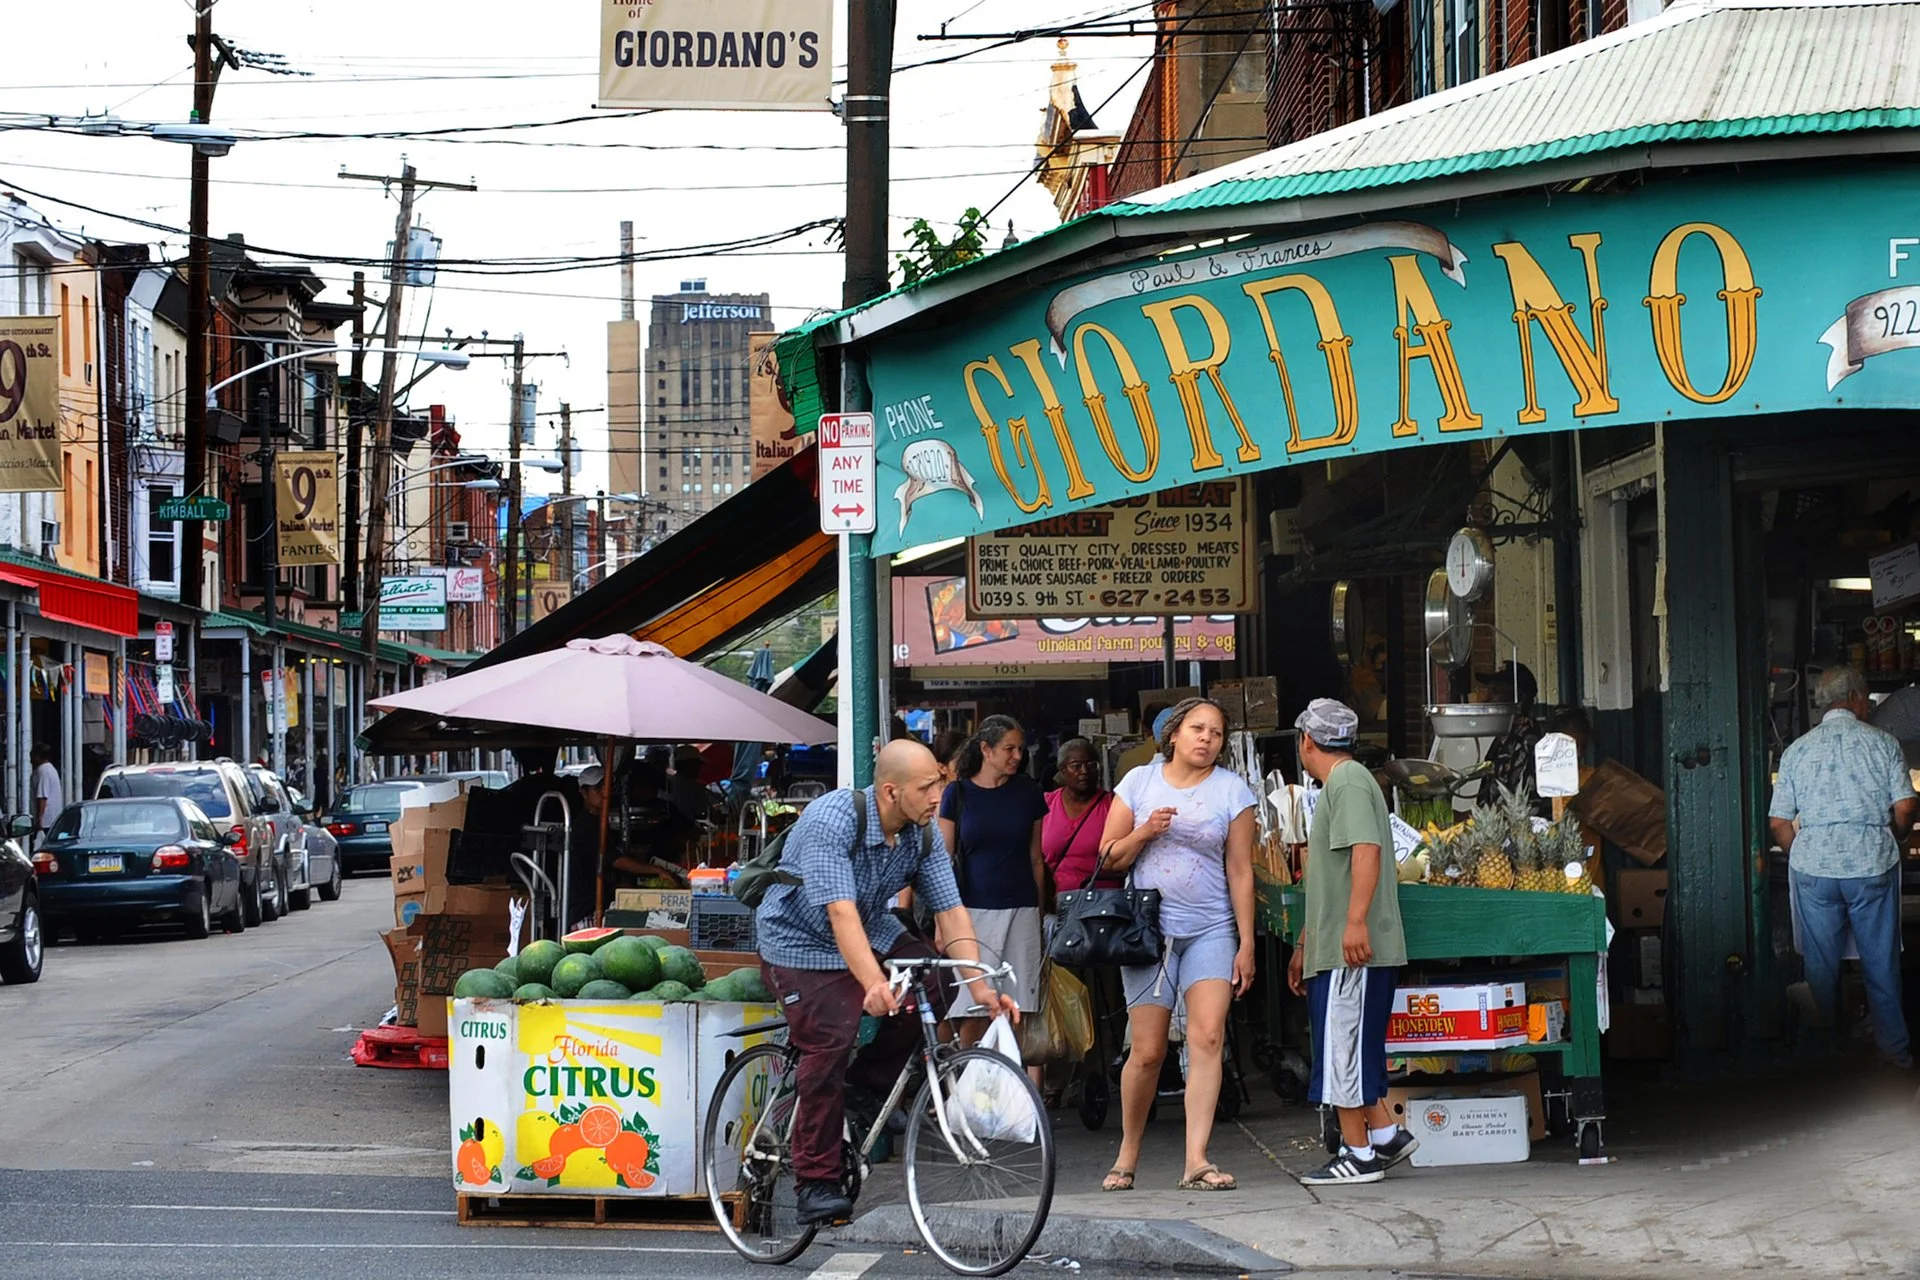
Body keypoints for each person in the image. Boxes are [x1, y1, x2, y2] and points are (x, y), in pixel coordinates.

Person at [754, 739, 1019, 1227]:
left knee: (933, 983)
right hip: (799, 942)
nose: (938, 794)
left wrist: (980, 989)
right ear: (891, 791)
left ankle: (866, 1089)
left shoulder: (920, 832)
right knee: (830, 1039)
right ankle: (816, 1181)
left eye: (939, 781)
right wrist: (874, 984)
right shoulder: (833, 819)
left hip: (869, 927)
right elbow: (839, 912)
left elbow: (950, 908)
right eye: (927, 787)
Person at [1095, 696, 1256, 1194]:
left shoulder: (1233, 791)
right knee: (1146, 1051)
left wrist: (1246, 942)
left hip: (1211, 928)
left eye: (1215, 732)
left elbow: (1240, 870)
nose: (1206, 738)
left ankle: (1197, 1159)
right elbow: (1108, 857)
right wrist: (1146, 831)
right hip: (1149, 932)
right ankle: (1128, 1153)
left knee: (1208, 1037)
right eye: (1197, 729)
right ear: (1174, 734)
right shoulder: (1139, 782)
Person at [1287, 698, 1417, 1186]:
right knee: (1348, 1043)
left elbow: (1366, 850)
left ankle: (1358, 1154)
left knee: (1342, 1049)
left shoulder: (1346, 781)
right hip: (1335, 946)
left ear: (1306, 740)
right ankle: (1384, 1135)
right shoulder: (1346, 782)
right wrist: (1305, 943)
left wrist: (1356, 921)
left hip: (1351, 950)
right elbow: (1331, 877)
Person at [1768, 666, 1918, 1071]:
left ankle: (1821, 1059)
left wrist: (1806, 851)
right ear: (1852, 697)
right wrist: (1898, 836)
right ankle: (1893, 1054)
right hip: (1871, 863)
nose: (1868, 704)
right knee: (1880, 964)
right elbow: (1905, 807)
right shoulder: (1883, 744)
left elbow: (1779, 822)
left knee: (1820, 966)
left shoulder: (1796, 750)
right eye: (1866, 696)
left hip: (1814, 868)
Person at [938, 716, 1049, 1029]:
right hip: (970, 911)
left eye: (1020, 749)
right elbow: (943, 861)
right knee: (972, 1007)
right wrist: (940, 921)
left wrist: (1040, 914)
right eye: (1009, 749)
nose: (1017, 756)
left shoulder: (1029, 792)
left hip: (1022, 909)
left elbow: (1036, 859)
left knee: (1020, 1008)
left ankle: (1012, 1077)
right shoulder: (957, 793)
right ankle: (969, 1075)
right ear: (986, 750)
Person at [1042, 738, 1118, 895]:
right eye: (1076, 766)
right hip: (1055, 902)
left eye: (1091, 765)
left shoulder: (1113, 805)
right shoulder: (1045, 804)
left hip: (1101, 904)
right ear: (1062, 770)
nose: (1084, 771)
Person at [32, 743, 63, 845]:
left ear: (38, 756)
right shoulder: (50, 769)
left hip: (46, 820)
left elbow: (42, 797)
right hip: (53, 818)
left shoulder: (43, 771)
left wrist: (39, 819)